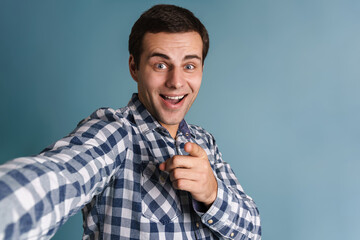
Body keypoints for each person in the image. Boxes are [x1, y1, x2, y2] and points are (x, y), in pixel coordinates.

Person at [0, 4, 261, 240]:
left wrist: (212, 193)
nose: (176, 82)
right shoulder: (115, 132)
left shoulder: (205, 142)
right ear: (134, 67)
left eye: (189, 66)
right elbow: (54, 179)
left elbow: (252, 231)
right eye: (161, 65)